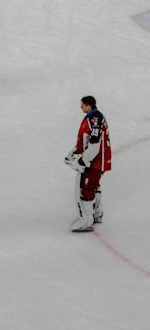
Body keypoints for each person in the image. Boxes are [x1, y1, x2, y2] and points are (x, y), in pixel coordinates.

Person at [66, 94, 111, 231]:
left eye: (82, 104)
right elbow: (85, 139)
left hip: (95, 161)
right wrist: (73, 153)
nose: (80, 107)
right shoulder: (92, 117)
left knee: (85, 188)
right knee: (93, 186)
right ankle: (97, 214)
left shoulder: (94, 118)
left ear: (88, 105)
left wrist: (82, 160)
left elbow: (94, 145)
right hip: (94, 160)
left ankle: (86, 221)